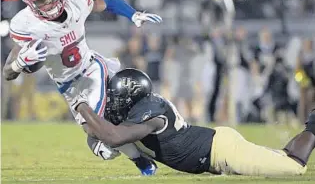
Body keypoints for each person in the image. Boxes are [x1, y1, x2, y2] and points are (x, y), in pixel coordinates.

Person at [2, 0, 162, 175]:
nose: (49, 2)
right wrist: (20, 63)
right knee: (102, 137)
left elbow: (108, 3)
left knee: (111, 117)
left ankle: (148, 149)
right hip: (68, 85)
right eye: (42, 0)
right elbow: (7, 73)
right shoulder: (26, 25)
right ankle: (109, 145)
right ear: (30, 3)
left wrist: (133, 15)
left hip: (92, 67)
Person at [74, 68, 315, 176]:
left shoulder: (152, 112)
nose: (114, 103)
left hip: (220, 151)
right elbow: (103, 132)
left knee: (294, 168)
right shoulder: (138, 108)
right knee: (283, 156)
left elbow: (114, 136)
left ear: (132, 96)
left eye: (117, 97)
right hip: (214, 149)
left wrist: (82, 107)